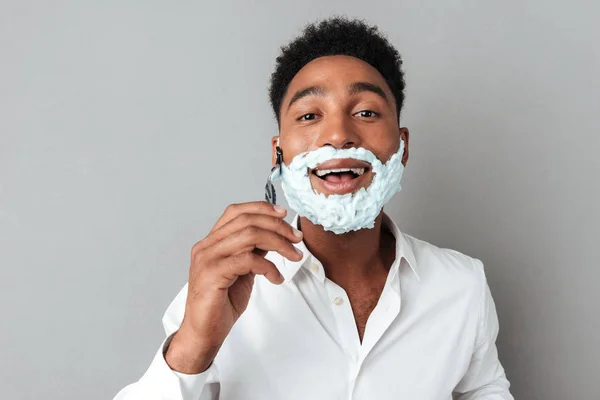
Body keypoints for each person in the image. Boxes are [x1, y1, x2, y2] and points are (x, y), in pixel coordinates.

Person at [114, 17, 513, 400]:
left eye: (366, 112)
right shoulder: (222, 287)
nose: (339, 135)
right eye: (309, 115)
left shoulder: (462, 286)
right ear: (279, 154)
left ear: (402, 147)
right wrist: (193, 346)